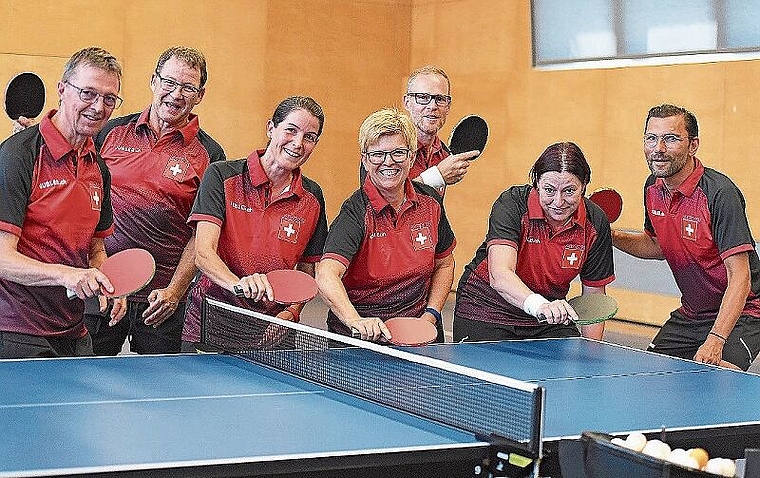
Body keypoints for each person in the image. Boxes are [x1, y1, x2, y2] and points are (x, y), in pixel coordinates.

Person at [83, 46, 225, 355]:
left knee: (160, 393)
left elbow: (200, 236)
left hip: (161, 300)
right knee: (81, 379)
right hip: (104, 286)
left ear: (200, 94)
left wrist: (175, 291)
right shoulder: (111, 132)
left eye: (188, 87)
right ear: (154, 81)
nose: (176, 94)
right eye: (169, 82)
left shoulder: (210, 155)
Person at [612, 104, 760, 371]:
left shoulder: (719, 194)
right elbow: (656, 245)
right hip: (693, 313)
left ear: (693, 145)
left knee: (719, 380)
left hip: (745, 311)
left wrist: (716, 339)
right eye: (651, 138)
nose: (658, 148)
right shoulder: (652, 187)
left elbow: (740, 276)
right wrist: (611, 235)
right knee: (651, 373)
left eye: (671, 138)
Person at [0, 47, 124, 358]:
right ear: (62, 89)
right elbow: (2, 258)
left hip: (73, 328)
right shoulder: (18, 156)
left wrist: (106, 278)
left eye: (109, 99)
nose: (99, 107)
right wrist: (67, 275)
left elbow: (96, 247)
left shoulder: (99, 167)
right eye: (88, 93)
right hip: (17, 329)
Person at [182, 96, 328, 350]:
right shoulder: (221, 176)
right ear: (271, 128)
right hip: (213, 319)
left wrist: (292, 312)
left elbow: (308, 268)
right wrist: (239, 285)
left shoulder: (312, 197)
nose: (298, 143)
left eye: (309, 137)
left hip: (272, 330)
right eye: (290, 130)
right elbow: (203, 254)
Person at [317, 108, 456, 342]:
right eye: (377, 154)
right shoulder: (355, 211)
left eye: (398, 153)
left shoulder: (430, 203)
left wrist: (430, 315)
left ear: (411, 157)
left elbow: (444, 264)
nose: (388, 162)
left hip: (418, 335)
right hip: (362, 341)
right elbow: (326, 274)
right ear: (365, 159)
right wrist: (355, 321)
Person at [454, 142, 614, 342]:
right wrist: (540, 306)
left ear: (584, 185)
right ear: (536, 183)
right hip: (487, 309)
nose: (558, 202)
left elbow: (594, 300)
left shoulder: (595, 221)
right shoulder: (512, 205)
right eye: (549, 190)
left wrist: (591, 358)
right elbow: (500, 275)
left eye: (569, 191)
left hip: (547, 320)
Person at [360, 66, 478, 193]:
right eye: (422, 97)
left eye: (440, 99)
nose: (432, 106)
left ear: (448, 106)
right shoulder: (382, 149)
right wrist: (437, 176)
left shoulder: (444, 154)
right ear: (407, 102)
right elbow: (379, 204)